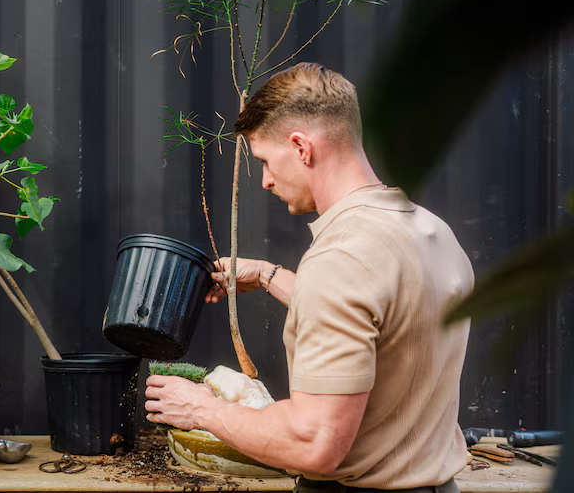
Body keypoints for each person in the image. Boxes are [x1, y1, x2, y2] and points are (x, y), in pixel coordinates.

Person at [144, 62, 473, 492]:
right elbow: (381, 315)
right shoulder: (428, 230)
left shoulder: (340, 259)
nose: (265, 181)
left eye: (265, 161)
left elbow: (315, 444)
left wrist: (200, 409)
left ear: (301, 147)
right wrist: (268, 275)